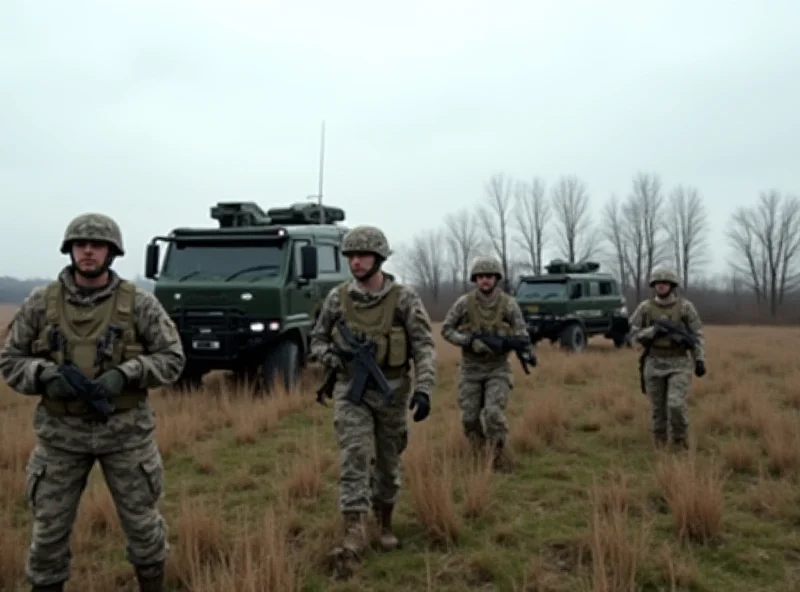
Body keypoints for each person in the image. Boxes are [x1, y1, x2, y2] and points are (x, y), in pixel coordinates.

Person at [0, 213, 186, 592]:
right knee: (48, 533)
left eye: (96, 245)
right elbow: (10, 359)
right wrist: (43, 376)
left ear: (111, 252)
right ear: (69, 250)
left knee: (144, 528)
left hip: (126, 433)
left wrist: (128, 372)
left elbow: (173, 358)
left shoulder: (140, 304)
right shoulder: (41, 302)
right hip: (60, 437)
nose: (88, 251)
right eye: (80, 244)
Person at [309, 225, 436, 576]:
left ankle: (384, 521)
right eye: (350, 256)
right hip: (352, 391)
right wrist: (335, 359)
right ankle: (353, 530)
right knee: (354, 454)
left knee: (388, 462)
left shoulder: (404, 299)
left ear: (378, 257)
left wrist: (424, 389)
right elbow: (316, 340)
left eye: (362, 255)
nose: (355, 262)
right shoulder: (338, 299)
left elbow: (424, 347)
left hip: (392, 391)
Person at [440, 256, 535, 471]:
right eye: (481, 277)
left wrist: (524, 350)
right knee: (469, 419)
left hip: (498, 368)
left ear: (496, 279)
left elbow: (521, 332)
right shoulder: (464, 303)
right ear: (475, 279)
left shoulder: (509, 304)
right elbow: (446, 329)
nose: (485, 281)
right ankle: (480, 454)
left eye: (489, 277)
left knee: (493, 414)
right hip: (470, 370)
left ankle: (498, 457)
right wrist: (469, 341)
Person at [628, 267, 706, 450]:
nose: (661, 286)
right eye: (658, 283)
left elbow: (697, 335)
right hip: (654, 361)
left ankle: (679, 440)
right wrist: (653, 331)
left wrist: (700, 360)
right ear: (654, 286)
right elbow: (633, 334)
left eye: (665, 283)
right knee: (657, 408)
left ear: (672, 285)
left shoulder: (685, 307)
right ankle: (660, 443)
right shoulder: (645, 308)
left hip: (679, 362)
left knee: (675, 404)